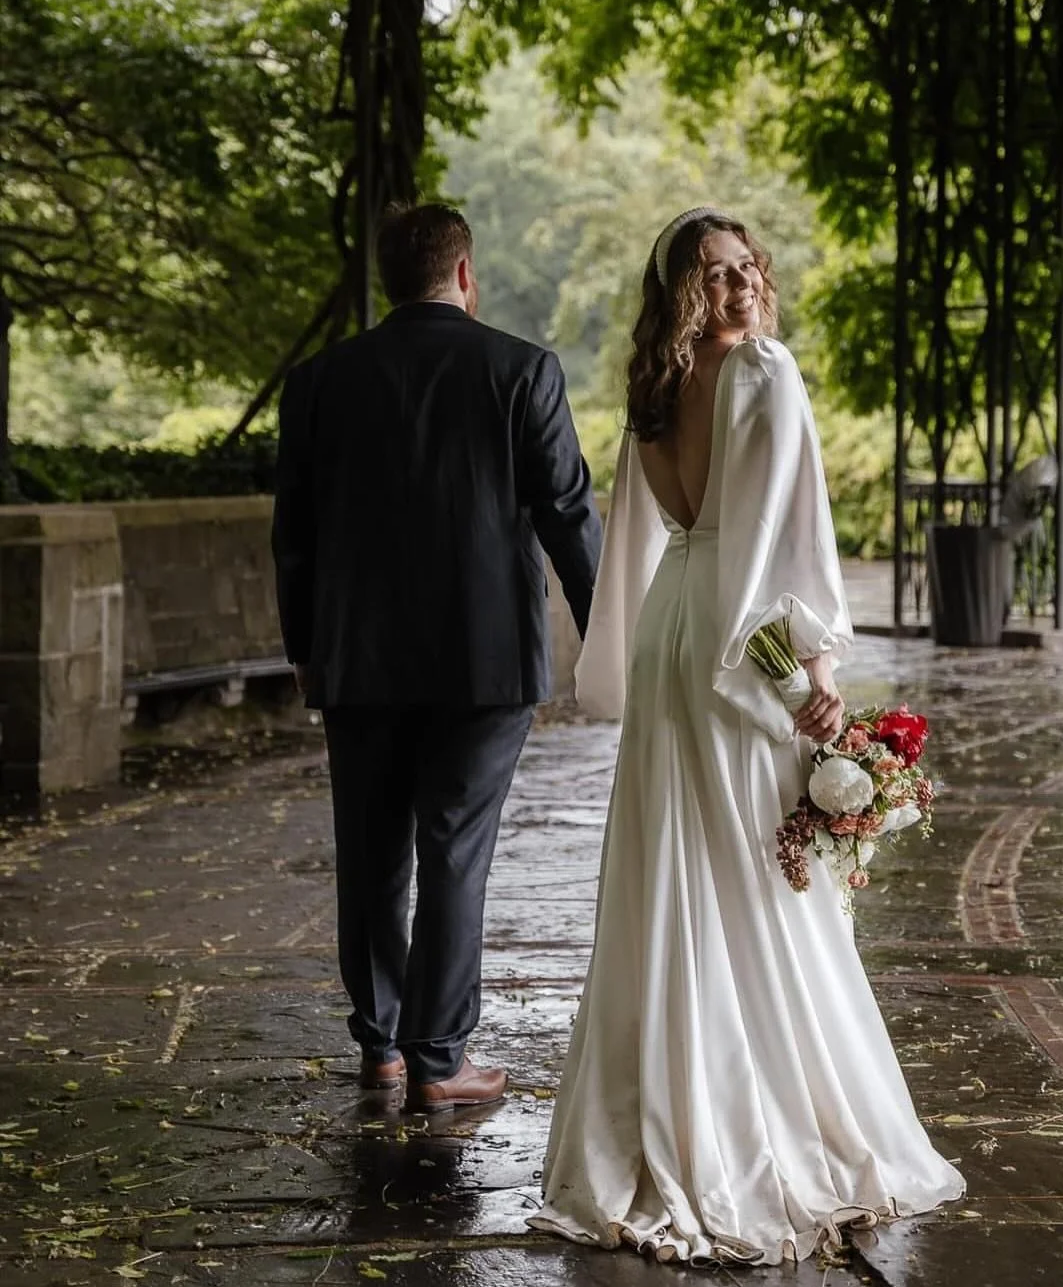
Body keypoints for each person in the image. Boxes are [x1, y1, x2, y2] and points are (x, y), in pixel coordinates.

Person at [530, 207, 964, 1265]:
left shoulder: (648, 389)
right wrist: (812, 675)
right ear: (682, 289)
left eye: (743, 269)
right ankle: (768, 1122)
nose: (737, 288)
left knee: (684, 869)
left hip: (678, 627)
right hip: (742, 640)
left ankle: (664, 1115)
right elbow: (791, 539)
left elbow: (653, 540)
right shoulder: (762, 370)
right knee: (765, 879)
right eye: (713, 274)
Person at [271, 201, 602, 1112]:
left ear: (390, 279)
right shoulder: (520, 370)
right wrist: (614, 634)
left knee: (370, 851)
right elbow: (568, 515)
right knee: (455, 849)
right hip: (484, 662)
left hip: (357, 658)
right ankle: (439, 1057)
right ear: (465, 273)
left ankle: (379, 1043)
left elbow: (291, 535)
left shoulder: (320, 381)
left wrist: (306, 647)